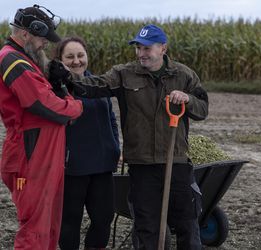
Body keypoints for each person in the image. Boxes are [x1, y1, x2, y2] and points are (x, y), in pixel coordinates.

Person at [69, 24, 208, 250]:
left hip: (177, 162)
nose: (141, 53)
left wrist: (188, 100)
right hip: (142, 165)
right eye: (138, 48)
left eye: (147, 48)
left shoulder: (183, 75)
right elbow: (95, 86)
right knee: (146, 226)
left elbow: (203, 109)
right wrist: (65, 77)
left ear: (162, 48)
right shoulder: (124, 74)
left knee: (187, 224)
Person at [0, 5, 83, 250]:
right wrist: (74, 106)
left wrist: (58, 85)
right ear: (26, 33)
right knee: (35, 228)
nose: (45, 44)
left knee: (49, 226)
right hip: (31, 152)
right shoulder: (11, 59)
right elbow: (42, 104)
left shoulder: (25, 59)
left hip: (43, 151)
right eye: (42, 38)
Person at [54, 37, 120, 250]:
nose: (76, 61)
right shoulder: (57, 89)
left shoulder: (98, 84)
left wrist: (114, 147)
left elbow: (110, 118)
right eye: (70, 57)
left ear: (87, 57)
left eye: (80, 55)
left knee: (104, 219)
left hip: (102, 166)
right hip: (72, 168)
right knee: (69, 222)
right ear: (60, 60)